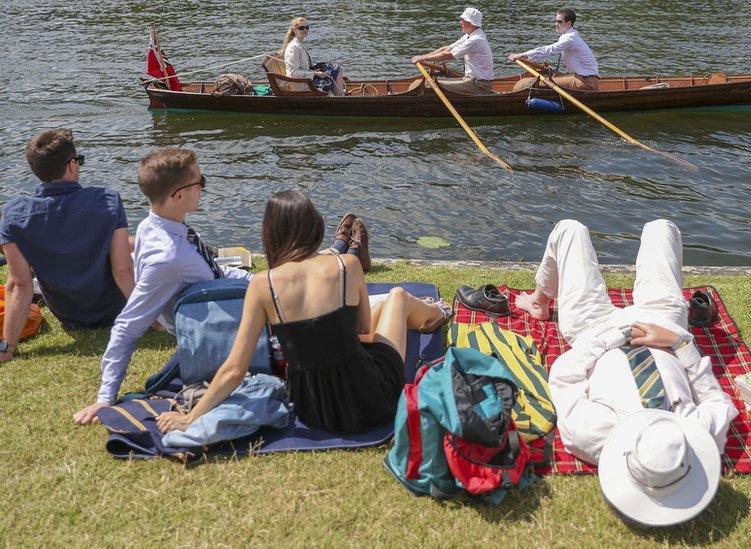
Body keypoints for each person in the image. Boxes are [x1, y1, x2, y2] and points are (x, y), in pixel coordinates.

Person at [157, 190, 452, 435]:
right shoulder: (347, 265)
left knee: (361, 318)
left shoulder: (262, 285)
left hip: (315, 408)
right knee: (397, 298)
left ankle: (428, 312)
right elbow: (364, 331)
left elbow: (234, 369)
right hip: (374, 397)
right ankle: (432, 315)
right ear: (315, 225)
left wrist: (190, 416)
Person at [515, 219, 737, 465]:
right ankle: (540, 298)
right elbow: (717, 400)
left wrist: (617, 336)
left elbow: (564, 376)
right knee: (661, 228)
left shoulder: (590, 436)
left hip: (596, 332)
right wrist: (678, 344)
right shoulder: (696, 436)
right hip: (663, 327)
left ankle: (539, 301)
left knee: (570, 230)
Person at [73, 148, 250, 425]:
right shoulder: (169, 257)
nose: (204, 187)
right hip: (221, 328)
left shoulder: (153, 225)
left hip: (221, 300)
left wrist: (260, 279)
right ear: (178, 195)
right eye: (200, 182)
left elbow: (213, 271)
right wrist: (105, 398)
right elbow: (128, 326)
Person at [0, 129, 134, 364]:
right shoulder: (107, 201)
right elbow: (122, 271)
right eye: (78, 162)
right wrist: (150, 319)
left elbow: (20, 284)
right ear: (72, 165)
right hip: (114, 310)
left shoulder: (13, 216)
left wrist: (7, 347)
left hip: (69, 316)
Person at [507, 8, 600, 90]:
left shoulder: (570, 38)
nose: (556, 24)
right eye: (555, 21)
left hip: (586, 82)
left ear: (569, 23)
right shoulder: (569, 35)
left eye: (559, 22)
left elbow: (548, 49)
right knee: (545, 75)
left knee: (530, 83)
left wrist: (521, 55)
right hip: (583, 78)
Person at [410, 8, 495, 95]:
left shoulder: (476, 39)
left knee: (430, 85)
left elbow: (449, 55)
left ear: (470, 23)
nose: (460, 22)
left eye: (462, 20)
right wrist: (424, 56)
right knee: (426, 82)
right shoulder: (469, 36)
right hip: (471, 81)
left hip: (478, 85)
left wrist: (424, 58)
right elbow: (447, 49)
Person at [280, 17, 346, 96]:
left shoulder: (299, 44)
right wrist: (315, 73)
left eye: (307, 28)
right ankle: (341, 97)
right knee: (335, 70)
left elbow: (304, 65)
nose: (305, 30)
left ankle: (340, 95)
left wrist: (316, 70)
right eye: (301, 28)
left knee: (335, 68)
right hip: (301, 84)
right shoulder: (293, 48)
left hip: (307, 78)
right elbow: (292, 73)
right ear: (294, 30)